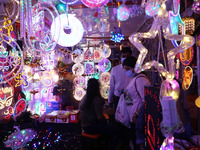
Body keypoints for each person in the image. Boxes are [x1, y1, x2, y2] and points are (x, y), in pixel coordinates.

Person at [79, 78, 120, 150]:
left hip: (84, 126)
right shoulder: (96, 99)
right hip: (91, 127)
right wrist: (106, 121)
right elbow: (100, 117)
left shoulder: (85, 97)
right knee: (116, 131)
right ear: (97, 87)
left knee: (109, 127)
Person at [122, 56, 151, 150]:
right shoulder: (134, 78)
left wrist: (137, 113)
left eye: (128, 69)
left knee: (139, 142)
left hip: (138, 118)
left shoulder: (141, 80)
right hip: (132, 116)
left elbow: (146, 100)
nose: (126, 72)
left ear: (134, 67)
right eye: (125, 69)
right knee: (134, 141)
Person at [108, 47, 132, 111]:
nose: (125, 58)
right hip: (118, 97)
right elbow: (112, 86)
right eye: (123, 56)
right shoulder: (115, 69)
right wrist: (110, 100)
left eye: (127, 56)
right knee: (119, 117)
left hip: (131, 97)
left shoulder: (135, 70)